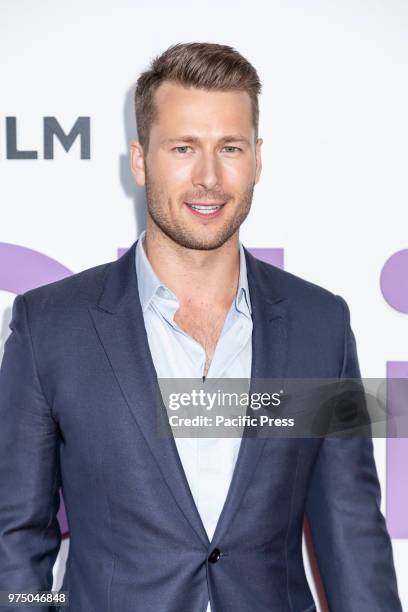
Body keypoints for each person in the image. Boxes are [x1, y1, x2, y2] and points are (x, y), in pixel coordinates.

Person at [0, 42, 402, 612]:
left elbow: (351, 533)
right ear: (141, 161)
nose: (209, 177)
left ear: (257, 159)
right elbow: (14, 539)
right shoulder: (51, 327)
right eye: (183, 148)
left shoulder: (320, 324)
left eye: (230, 148)